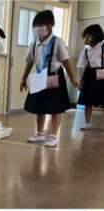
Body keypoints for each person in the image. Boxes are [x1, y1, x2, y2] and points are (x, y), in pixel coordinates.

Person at [20, 10, 78, 148]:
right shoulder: (33, 44)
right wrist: (23, 78)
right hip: (40, 77)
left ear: (50, 26)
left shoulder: (58, 42)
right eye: (36, 25)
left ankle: (53, 136)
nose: (38, 28)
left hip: (55, 77)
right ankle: (39, 134)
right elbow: (29, 62)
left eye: (41, 25)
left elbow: (66, 61)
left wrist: (73, 78)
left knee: (56, 108)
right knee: (39, 106)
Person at [77, 24, 104, 131]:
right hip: (90, 76)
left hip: (102, 75)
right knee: (87, 101)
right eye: (85, 37)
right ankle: (87, 122)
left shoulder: (103, 46)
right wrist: (80, 80)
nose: (86, 39)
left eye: (88, 36)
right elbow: (82, 66)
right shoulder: (86, 51)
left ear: (95, 35)